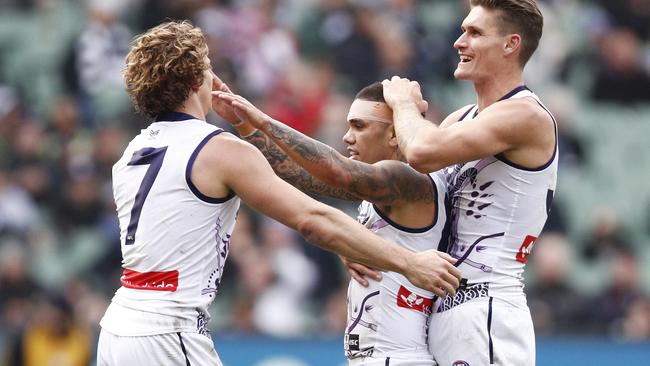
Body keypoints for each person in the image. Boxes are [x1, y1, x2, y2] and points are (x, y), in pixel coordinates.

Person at [96, 21, 461, 366]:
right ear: (196, 78)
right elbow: (311, 218)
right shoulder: (217, 149)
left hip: (118, 325)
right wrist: (409, 262)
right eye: (208, 66)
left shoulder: (132, 152)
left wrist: (350, 244)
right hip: (168, 329)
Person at [215, 81, 447, 365]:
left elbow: (336, 170)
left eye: (360, 126)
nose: (348, 137)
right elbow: (299, 174)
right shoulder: (381, 190)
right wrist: (244, 125)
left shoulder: (407, 179)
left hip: (398, 356)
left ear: (394, 135)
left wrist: (261, 120)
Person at [381, 0, 557, 365]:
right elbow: (412, 188)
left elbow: (422, 151)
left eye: (474, 33)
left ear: (511, 44)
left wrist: (403, 105)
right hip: (443, 306)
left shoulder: (525, 114)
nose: (459, 42)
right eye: (463, 30)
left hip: (487, 305)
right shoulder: (463, 118)